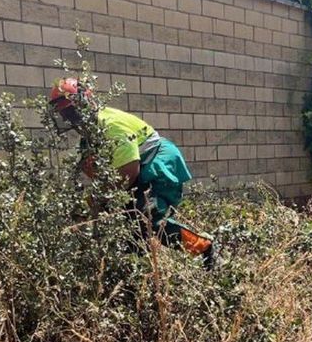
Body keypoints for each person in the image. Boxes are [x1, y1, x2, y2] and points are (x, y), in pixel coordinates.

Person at [49, 77, 212, 257]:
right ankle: (134, 273)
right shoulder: (87, 137)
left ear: (84, 103)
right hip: (137, 168)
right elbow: (95, 173)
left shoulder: (110, 126)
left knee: (148, 217)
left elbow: (129, 171)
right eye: (65, 115)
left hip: (156, 162)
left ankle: (204, 248)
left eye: (71, 112)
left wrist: (102, 197)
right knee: (127, 223)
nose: (69, 118)